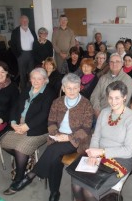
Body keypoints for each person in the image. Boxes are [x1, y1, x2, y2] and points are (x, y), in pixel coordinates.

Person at [9, 73, 94, 201]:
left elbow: (86, 129)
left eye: (75, 88)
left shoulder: (86, 104)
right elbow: (51, 122)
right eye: (68, 88)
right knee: (55, 158)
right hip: (57, 137)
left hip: (77, 140)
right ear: (63, 88)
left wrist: (67, 138)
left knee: (53, 150)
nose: (72, 91)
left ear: (79, 88)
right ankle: (54, 193)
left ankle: (30, 176)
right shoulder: (57, 102)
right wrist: (56, 135)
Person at [72, 81, 132, 201]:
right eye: (110, 98)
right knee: (76, 184)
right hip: (98, 154)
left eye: (117, 98)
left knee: (89, 192)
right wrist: (92, 153)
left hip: (121, 160)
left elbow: (128, 150)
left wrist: (100, 152)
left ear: (125, 97)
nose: (113, 102)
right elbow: (96, 136)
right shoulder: (104, 113)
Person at [1, 67, 56, 195]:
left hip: (39, 129)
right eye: (33, 78)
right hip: (19, 125)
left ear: (45, 80)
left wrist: (27, 126)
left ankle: (19, 178)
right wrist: (14, 123)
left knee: (20, 148)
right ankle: (25, 159)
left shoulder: (49, 93)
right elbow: (15, 106)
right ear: (30, 79)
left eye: (39, 79)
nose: (36, 81)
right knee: (4, 141)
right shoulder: (26, 89)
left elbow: (44, 114)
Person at [90, 53, 132, 118]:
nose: (114, 64)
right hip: (100, 113)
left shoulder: (127, 79)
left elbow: (124, 101)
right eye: (112, 62)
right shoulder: (103, 78)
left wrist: (110, 116)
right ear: (109, 64)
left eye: (117, 62)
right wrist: (97, 111)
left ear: (122, 64)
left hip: (118, 116)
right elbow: (94, 96)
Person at [10, 15, 37, 90]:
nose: (25, 22)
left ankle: (32, 88)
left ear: (28, 21)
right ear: (20, 21)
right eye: (23, 21)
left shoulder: (32, 31)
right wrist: (18, 55)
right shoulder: (15, 31)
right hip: (21, 54)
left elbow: (36, 42)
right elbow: (12, 44)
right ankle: (23, 90)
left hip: (31, 54)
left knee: (32, 73)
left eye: (26, 21)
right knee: (22, 74)